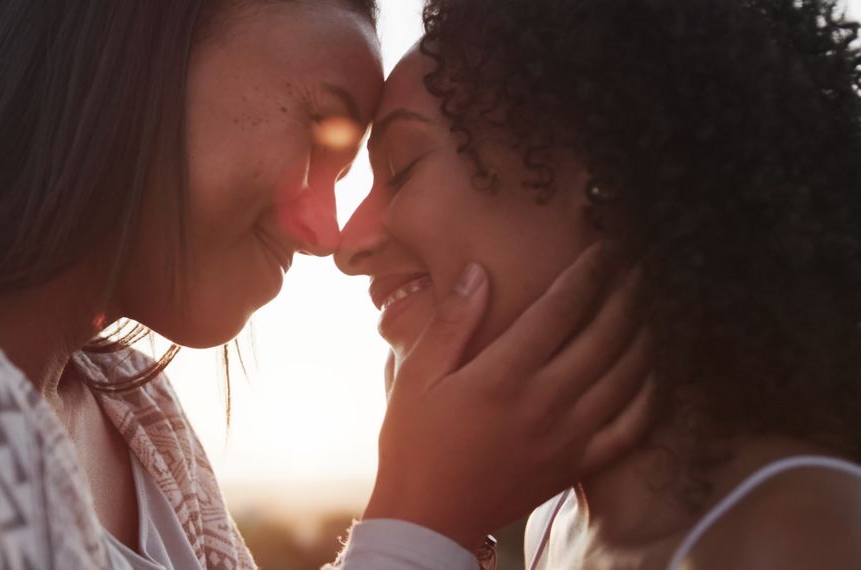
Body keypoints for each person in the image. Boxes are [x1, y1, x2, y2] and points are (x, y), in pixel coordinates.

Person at [0, 1, 650, 569]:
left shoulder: (144, 438)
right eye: (322, 132)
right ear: (135, 43)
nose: (325, 234)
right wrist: (422, 522)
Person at [336, 0, 861, 567]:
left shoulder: (806, 537)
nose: (349, 244)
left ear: (608, 177)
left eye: (402, 166)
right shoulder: (554, 529)